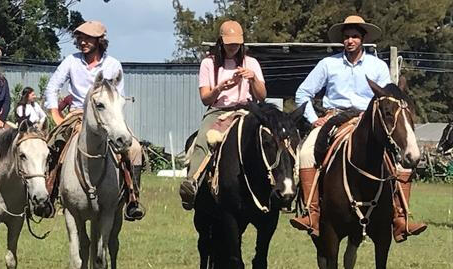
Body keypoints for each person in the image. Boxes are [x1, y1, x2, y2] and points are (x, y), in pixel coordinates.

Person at [290, 14, 426, 241]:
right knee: (305, 153)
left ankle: (401, 219)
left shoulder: (378, 66)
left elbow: (389, 99)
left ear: (363, 39)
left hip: (369, 120)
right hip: (335, 118)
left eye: (354, 36)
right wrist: (314, 119)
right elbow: (303, 93)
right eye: (346, 37)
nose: (350, 41)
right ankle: (312, 214)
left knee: (402, 158)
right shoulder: (328, 64)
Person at [43, 20, 145, 221]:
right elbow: (52, 87)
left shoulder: (113, 64)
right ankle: (50, 194)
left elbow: (118, 97)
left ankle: (132, 197)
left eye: (88, 38)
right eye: (81, 38)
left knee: (134, 149)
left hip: (107, 116)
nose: (83, 42)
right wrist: (55, 112)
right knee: (53, 145)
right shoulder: (71, 61)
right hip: (77, 114)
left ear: (99, 40)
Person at [178, 20, 266, 210]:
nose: (233, 47)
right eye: (229, 43)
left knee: (269, 137)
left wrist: (253, 78)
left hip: (246, 110)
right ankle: (192, 181)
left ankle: (276, 182)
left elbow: (262, 95)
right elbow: (205, 98)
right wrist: (220, 88)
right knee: (203, 139)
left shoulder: (251, 63)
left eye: (236, 43)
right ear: (221, 42)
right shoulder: (208, 63)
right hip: (219, 110)